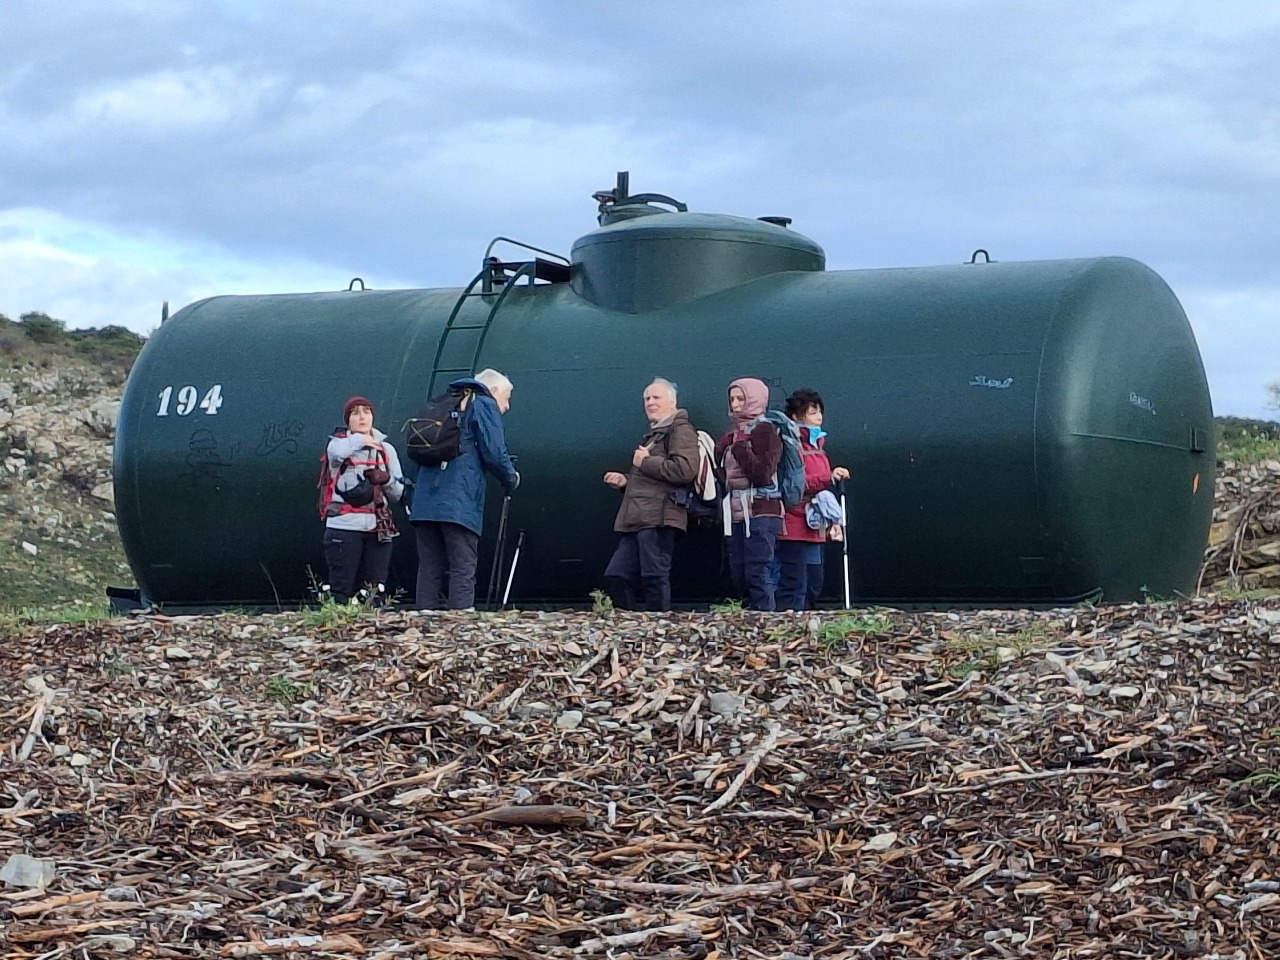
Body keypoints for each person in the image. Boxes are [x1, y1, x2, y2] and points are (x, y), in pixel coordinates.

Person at [408, 369, 519, 611]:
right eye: (506, 398)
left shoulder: (444, 402)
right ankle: (461, 621)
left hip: (424, 502)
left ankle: (423, 620)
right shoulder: (483, 403)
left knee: (429, 566)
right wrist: (511, 476)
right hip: (458, 501)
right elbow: (494, 451)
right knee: (462, 564)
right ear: (494, 390)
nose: (507, 406)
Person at [602, 378, 699, 611]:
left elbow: (685, 470)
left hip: (660, 517)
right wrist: (626, 482)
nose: (650, 402)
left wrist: (645, 462)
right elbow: (655, 477)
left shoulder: (681, 430)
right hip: (639, 518)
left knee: (654, 577)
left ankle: (660, 626)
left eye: (656, 397)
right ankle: (629, 625)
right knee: (617, 575)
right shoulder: (655, 434)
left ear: (672, 402)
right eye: (647, 398)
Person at [321, 396, 405, 604]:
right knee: (341, 589)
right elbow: (339, 452)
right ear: (347, 419)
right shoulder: (336, 445)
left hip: (378, 528)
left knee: (374, 590)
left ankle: (371, 620)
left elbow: (397, 493)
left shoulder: (386, 450)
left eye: (367, 412)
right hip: (344, 526)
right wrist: (363, 440)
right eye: (355, 413)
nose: (362, 417)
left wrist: (385, 480)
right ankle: (338, 621)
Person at [776, 387, 850, 611]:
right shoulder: (790, 446)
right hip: (793, 524)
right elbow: (793, 484)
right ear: (796, 416)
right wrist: (828, 478)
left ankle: (807, 621)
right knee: (794, 581)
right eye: (812, 412)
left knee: (813, 581)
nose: (818, 417)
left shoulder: (818, 447)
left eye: (819, 412)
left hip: (814, 525)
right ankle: (789, 621)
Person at [715, 377, 783, 611]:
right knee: (740, 573)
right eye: (732, 399)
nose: (735, 404)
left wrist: (739, 447)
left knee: (758, 572)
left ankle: (767, 622)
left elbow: (763, 473)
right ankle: (748, 621)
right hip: (737, 512)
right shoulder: (732, 433)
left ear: (755, 399)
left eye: (741, 399)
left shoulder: (765, 430)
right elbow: (725, 475)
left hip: (761, 510)